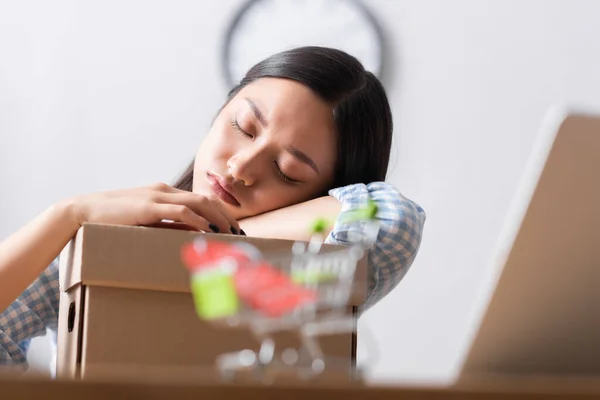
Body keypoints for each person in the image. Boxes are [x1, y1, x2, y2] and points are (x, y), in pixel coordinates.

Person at [0, 46, 426, 369]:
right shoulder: (107, 242)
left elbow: (391, 219)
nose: (241, 166)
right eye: (242, 126)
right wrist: (67, 214)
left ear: (323, 194)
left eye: (287, 170)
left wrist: (202, 241)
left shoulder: (318, 275)